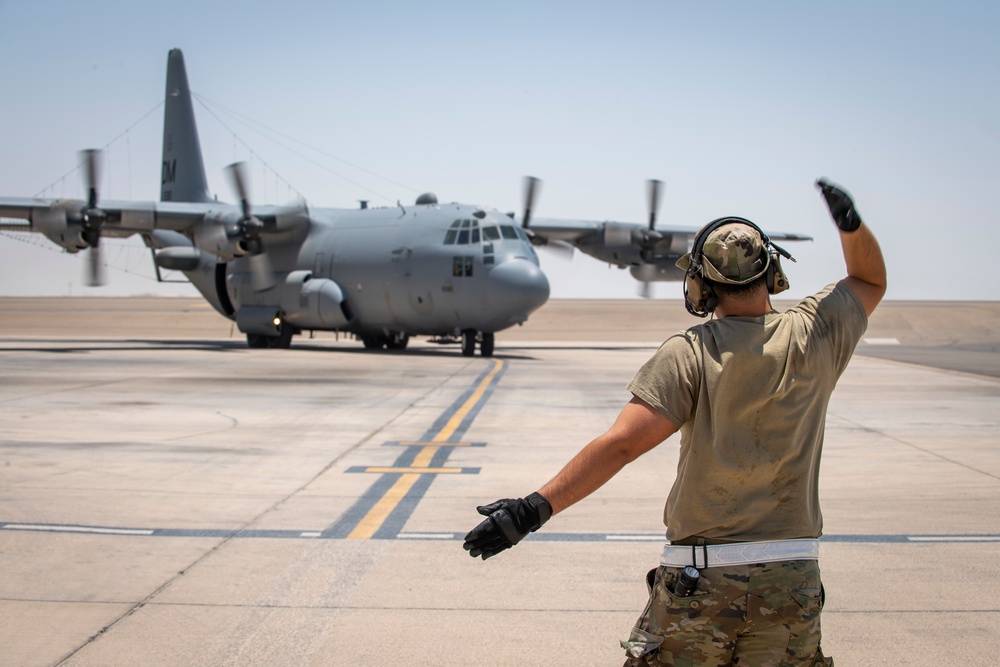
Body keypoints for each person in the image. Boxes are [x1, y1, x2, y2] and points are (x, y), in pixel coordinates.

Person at [463, 179, 886, 666]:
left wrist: (532, 509)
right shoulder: (817, 334)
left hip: (701, 584)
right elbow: (870, 280)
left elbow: (621, 445)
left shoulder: (690, 352)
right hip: (791, 587)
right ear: (771, 273)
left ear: (702, 285)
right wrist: (850, 226)